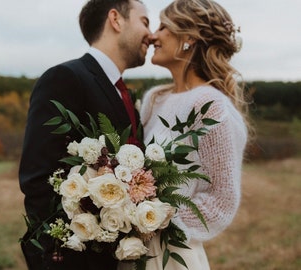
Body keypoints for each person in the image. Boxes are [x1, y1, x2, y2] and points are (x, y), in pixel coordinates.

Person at [19, 1, 151, 269]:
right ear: (116, 19)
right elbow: (38, 179)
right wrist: (54, 257)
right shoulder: (65, 78)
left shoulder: (125, 93)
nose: (151, 33)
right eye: (145, 22)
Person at [119, 0, 249, 269]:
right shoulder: (156, 98)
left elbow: (221, 200)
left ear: (189, 38)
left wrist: (159, 218)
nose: (153, 35)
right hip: (131, 248)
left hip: (172, 255)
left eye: (164, 27)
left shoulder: (210, 106)